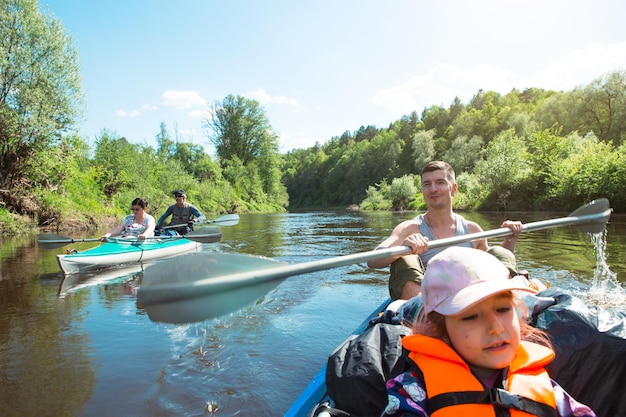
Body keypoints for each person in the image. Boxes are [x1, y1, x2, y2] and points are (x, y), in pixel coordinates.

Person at [382, 246, 596, 417]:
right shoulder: (410, 394)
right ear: (440, 329)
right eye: (470, 316)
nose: (496, 327)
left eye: (503, 309)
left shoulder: (550, 391)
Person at [367, 160, 523, 300]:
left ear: (454, 188)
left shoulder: (473, 230)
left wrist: (510, 240)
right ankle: (422, 316)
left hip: (468, 296)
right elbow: (373, 260)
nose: (433, 189)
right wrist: (403, 249)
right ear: (422, 191)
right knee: (404, 258)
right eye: (427, 184)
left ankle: (503, 303)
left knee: (500, 253)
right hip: (428, 300)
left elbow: (492, 268)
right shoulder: (409, 228)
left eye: (440, 182)